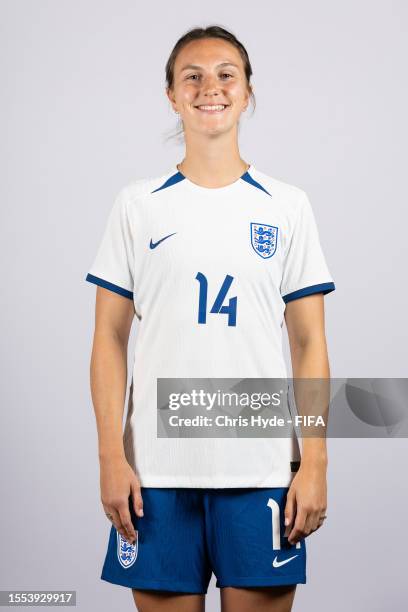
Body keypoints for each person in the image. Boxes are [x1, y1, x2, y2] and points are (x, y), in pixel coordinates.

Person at [86, 25, 335, 612]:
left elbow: (308, 342)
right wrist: (110, 458)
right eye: (191, 76)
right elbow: (108, 337)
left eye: (227, 74)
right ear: (171, 95)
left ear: (248, 91)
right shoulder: (137, 205)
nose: (210, 88)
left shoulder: (287, 206)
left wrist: (316, 462)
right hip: (156, 474)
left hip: (261, 466)